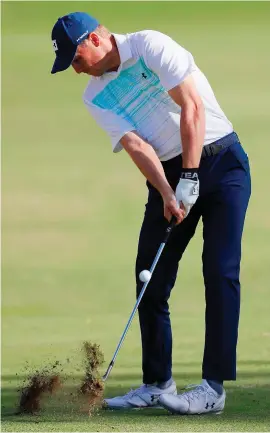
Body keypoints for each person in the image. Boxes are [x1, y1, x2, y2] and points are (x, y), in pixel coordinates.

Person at [50, 12, 251, 415]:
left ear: (94, 39)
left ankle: (213, 387)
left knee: (220, 270)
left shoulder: (149, 45)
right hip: (168, 172)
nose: (76, 70)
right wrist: (167, 192)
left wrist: (191, 175)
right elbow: (136, 145)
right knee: (150, 279)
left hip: (221, 161)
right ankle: (157, 383)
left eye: (75, 58)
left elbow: (191, 105)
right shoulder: (93, 95)